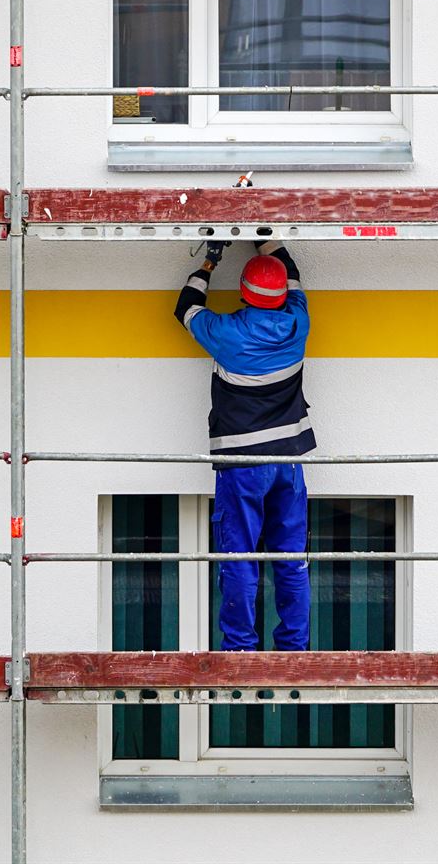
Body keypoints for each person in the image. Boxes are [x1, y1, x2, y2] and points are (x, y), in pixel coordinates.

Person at [173, 240, 313, 653]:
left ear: (243, 291)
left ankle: (239, 648)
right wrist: (264, 233)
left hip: (242, 464)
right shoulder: (298, 322)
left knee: (239, 555)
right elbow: (290, 269)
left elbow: (185, 307)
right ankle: (294, 648)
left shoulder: (226, 332)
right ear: (284, 294)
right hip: (288, 461)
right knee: (291, 558)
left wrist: (211, 258)